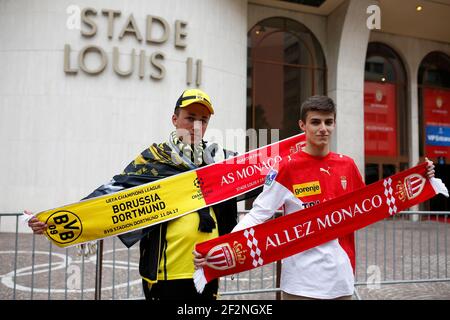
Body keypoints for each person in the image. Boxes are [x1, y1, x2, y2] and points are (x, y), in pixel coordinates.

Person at [194, 95, 435, 300]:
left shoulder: (347, 166)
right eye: (316, 122)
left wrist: (420, 178)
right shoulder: (286, 168)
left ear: (334, 124)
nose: (323, 128)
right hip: (299, 285)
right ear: (303, 125)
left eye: (328, 122)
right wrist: (217, 247)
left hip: (341, 281)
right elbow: (258, 214)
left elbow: (374, 205)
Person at [26, 88, 238, 300]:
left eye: (204, 120)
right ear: (175, 119)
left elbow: (253, 177)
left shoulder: (219, 161)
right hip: (164, 274)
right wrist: (54, 221)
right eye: (190, 118)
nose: (196, 126)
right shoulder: (154, 159)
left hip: (206, 267)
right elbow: (114, 190)